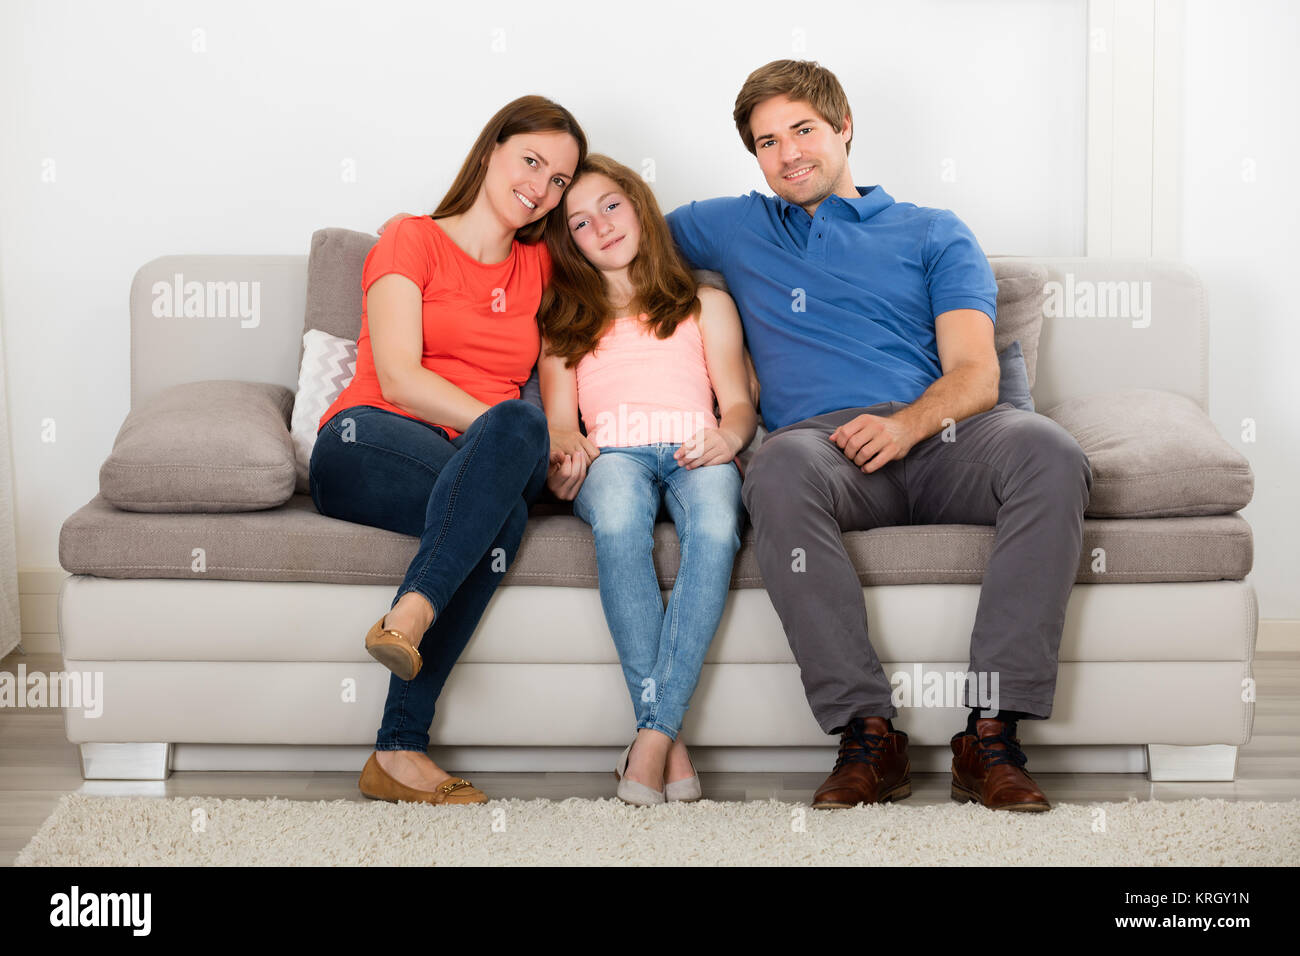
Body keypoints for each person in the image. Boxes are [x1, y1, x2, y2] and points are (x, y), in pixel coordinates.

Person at [663, 60, 1092, 812]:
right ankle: (869, 737)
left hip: (949, 435)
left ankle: (991, 735)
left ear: (844, 127)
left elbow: (975, 375)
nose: (788, 153)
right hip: (826, 452)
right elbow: (616, 235)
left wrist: (906, 425)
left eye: (803, 130)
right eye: (767, 142)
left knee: (1051, 452)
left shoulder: (933, 231)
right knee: (776, 468)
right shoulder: (735, 227)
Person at [309, 95, 586, 805]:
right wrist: (505, 428)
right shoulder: (409, 238)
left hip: (484, 464)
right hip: (369, 439)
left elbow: (556, 366)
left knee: (520, 437)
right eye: (532, 161)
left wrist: (562, 432)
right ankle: (399, 742)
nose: (543, 186)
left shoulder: (540, 268)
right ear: (492, 149)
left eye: (559, 179)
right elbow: (400, 376)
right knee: (510, 457)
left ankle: (402, 685)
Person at [538, 154, 758, 805]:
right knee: (617, 522)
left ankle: (652, 739)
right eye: (579, 223)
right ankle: (668, 741)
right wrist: (566, 450)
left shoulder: (705, 302)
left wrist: (730, 435)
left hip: (697, 446)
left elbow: (739, 402)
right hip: (614, 458)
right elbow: (558, 424)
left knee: (719, 527)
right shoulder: (563, 319)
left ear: (639, 204)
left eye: (610, 205)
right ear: (568, 243)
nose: (601, 227)